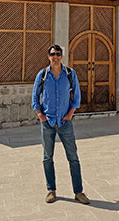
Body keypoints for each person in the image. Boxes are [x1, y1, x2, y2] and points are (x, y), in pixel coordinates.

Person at [31, 44, 89, 205]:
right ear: (48, 56)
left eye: (58, 54)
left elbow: (76, 96)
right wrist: (40, 115)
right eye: (52, 54)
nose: (55, 56)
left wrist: (70, 114)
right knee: (47, 158)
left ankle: (79, 192)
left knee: (73, 158)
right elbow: (35, 97)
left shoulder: (70, 74)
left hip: (65, 122)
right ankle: (51, 190)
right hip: (48, 122)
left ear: (61, 56)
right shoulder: (42, 75)